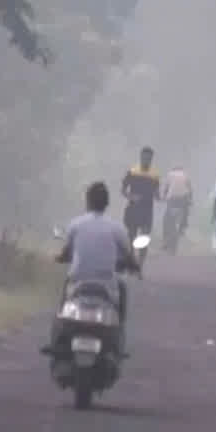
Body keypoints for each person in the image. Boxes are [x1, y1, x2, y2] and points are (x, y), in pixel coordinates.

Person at [52, 181, 141, 350]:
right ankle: (118, 335)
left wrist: (59, 258)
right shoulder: (117, 228)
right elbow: (129, 257)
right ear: (107, 203)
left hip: (78, 282)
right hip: (107, 285)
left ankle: (58, 337)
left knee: (64, 303)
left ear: (87, 201)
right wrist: (135, 267)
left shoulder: (76, 224)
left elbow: (66, 253)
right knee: (122, 287)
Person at [121, 146, 162, 246]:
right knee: (132, 236)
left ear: (152, 159)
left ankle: (140, 260)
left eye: (149, 158)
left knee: (144, 237)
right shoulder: (132, 172)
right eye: (144, 157)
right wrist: (131, 197)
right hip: (133, 209)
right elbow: (123, 190)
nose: (146, 160)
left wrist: (159, 197)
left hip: (147, 209)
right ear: (140, 157)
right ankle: (131, 256)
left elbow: (156, 193)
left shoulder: (155, 175)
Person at [161, 165, 193, 250]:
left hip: (172, 199)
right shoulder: (185, 175)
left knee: (166, 220)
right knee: (186, 212)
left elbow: (166, 188)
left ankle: (165, 239)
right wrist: (190, 200)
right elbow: (190, 189)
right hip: (183, 199)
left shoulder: (169, 174)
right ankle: (183, 227)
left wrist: (164, 197)